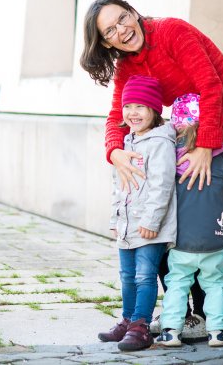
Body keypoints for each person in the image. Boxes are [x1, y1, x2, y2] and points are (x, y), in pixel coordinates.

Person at [80, 0, 223, 339]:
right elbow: (116, 115)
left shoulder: (172, 31)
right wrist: (114, 151)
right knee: (164, 220)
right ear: (105, 42)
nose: (121, 30)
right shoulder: (127, 66)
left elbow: (211, 86)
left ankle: (202, 315)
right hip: (186, 135)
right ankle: (180, 312)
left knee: (199, 225)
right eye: (110, 31)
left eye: (122, 18)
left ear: (133, 12)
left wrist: (206, 146)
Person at [155, 93, 223, 347]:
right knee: (215, 284)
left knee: (177, 283)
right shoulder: (221, 160)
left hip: (182, 240)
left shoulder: (171, 159)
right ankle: (218, 331)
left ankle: (171, 331)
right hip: (214, 239)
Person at [96, 75, 177, 351]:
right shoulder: (126, 142)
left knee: (144, 276)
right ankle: (127, 320)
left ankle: (141, 326)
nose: (133, 112)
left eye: (140, 106)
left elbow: (162, 185)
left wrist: (152, 221)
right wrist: (115, 219)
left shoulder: (160, 142)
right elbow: (120, 186)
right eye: (128, 106)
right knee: (127, 276)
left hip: (150, 227)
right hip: (127, 225)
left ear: (154, 109)